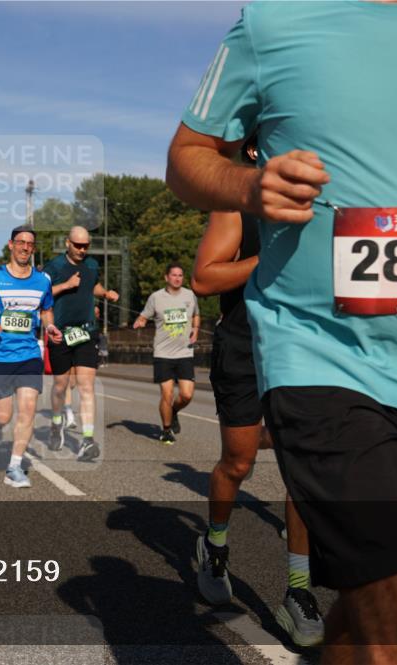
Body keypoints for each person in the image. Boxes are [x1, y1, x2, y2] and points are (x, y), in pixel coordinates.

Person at [167, 3, 397, 662]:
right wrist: (250, 185)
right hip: (320, 357)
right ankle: (242, 556)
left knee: (372, 601)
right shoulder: (273, 22)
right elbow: (186, 156)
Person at [192, 167, 324, 645]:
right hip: (244, 346)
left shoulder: (324, 208)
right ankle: (215, 546)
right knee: (238, 462)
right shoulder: (237, 207)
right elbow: (204, 277)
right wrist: (267, 259)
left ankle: (298, 590)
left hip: (303, 346)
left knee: (302, 467)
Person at [0, 226, 62, 488]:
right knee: (3, 415)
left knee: (28, 408)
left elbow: (46, 310)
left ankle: (14, 467)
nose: (25, 247)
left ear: (33, 248)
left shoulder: (43, 280)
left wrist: (50, 326)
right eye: (20, 242)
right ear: (11, 244)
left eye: (30, 244)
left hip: (29, 353)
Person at [43, 225, 119, 461]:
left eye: (86, 246)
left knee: (87, 386)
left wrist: (105, 293)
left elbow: (92, 285)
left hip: (86, 332)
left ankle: (87, 440)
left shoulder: (92, 265)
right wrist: (66, 285)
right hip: (61, 333)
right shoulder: (54, 266)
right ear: (68, 243)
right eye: (78, 245)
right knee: (60, 385)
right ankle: (57, 423)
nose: (82, 250)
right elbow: (42, 293)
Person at [132, 263, 199, 443]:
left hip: (185, 353)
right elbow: (144, 315)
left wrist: (196, 329)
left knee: (186, 395)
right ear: (166, 277)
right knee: (167, 394)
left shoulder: (190, 295)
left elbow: (196, 314)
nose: (177, 278)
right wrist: (140, 321)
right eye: (174, 275)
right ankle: (166, 430)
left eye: (180, 275)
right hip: (163, 354)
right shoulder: (156, 297)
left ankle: (174, 411)